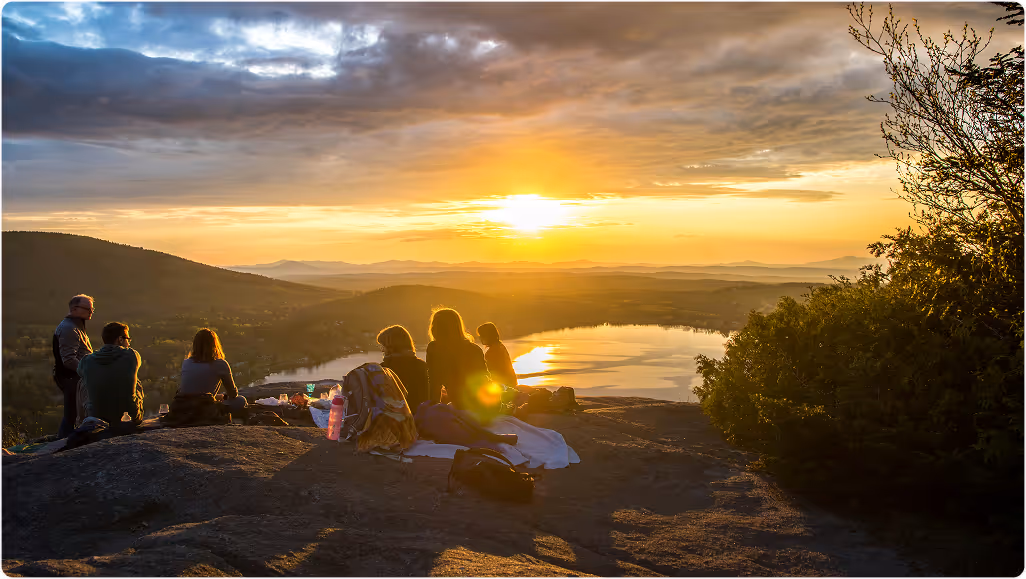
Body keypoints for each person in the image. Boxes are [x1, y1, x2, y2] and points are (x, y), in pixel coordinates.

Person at [425, 308, 497, 420]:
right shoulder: (474, 349)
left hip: (460, 404)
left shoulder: (434, 348)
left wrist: (433, 409)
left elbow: (434, 382)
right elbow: (485, 380)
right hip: (481, 404)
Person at [77, 322, 144, 427]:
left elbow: (80, 371)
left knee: (82, 382)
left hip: (96, 416)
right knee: (136, 380)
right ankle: (131, 415)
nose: (129, 343)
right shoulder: (132, 355)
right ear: (120, 340)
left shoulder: (87, 360)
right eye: (128, 339)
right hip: (125, 416)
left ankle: (82, 422)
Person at [52, 294, 94, 438]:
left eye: (92, 308)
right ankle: (63, 444)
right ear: (75, 309)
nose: (91, 311)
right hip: (71, 377)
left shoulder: (76, 326)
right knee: (72, 413)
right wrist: (87, 372)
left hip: (75, 377)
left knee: (74, 412)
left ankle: (65, 441)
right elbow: (69, 360)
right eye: (88, 308)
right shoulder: (69, 328)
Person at [179, 328, 247, 413]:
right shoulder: (220, 364)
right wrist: (224, 397)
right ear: (214, 345)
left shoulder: (186, 362)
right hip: (205, 408)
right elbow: (233, 394)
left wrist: (219, 397)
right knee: (240, 400)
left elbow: (195, 392)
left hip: (183, 408)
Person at [377, 325, 430, 411]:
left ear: (392, 346)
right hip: (420, 417)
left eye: (383, 346)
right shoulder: (422, 366)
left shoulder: (384, 370)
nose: (382, 350)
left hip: (393, 420)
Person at [476, 322, 518, 389]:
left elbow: (490, 372)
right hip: (511, 383)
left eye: (482, 335)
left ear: (488, 336)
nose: (480, 338)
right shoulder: (500, 346)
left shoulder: (492, 352)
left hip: (503, 386)